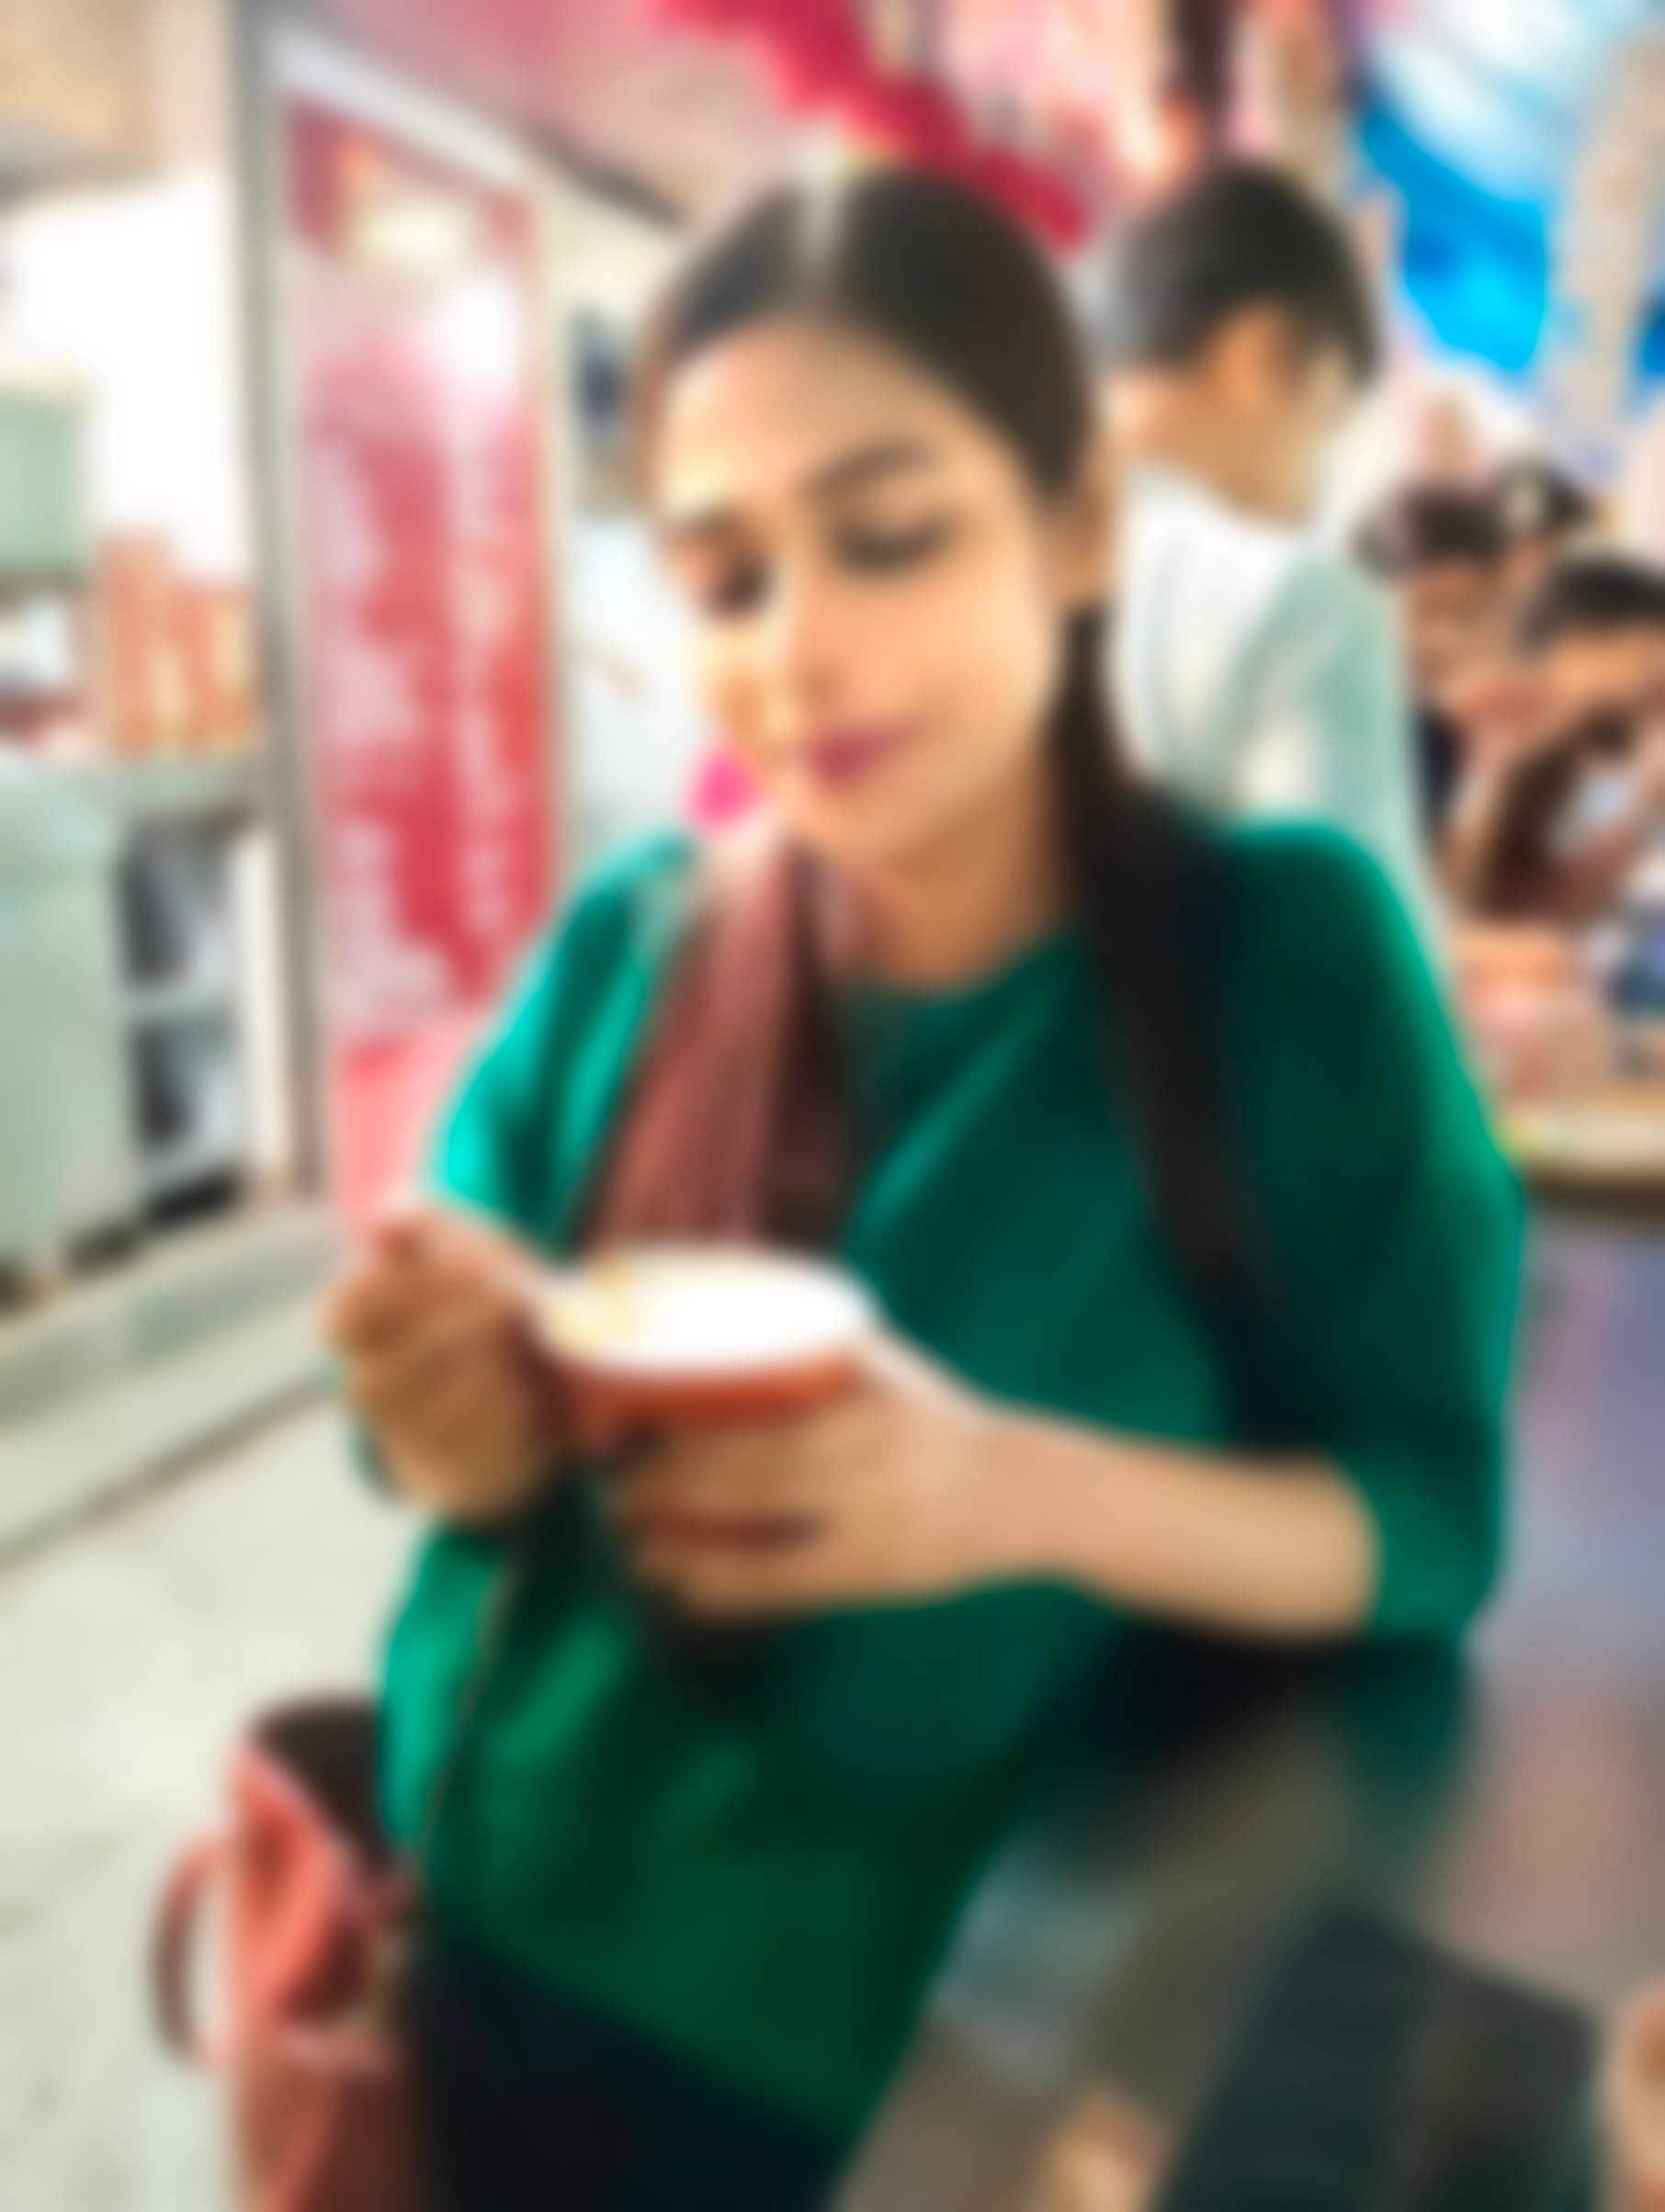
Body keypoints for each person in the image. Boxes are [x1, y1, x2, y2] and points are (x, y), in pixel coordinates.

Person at [323, 169, 1522, 2211]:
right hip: (488, 1951)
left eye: (888, 537)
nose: (798, 650)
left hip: (922, 2083)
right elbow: (432, 1441)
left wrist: (1006, 1491)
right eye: (726, 578)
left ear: (1078, 530)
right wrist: (445, 1420)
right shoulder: (634, 947)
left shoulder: (1279, 969)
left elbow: (1428, 1517)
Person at [1102, 160, 1429, 920]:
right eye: (1324, 430)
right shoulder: (1296, 602)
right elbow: (1354, 957)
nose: (1312, 501)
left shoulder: (970, 552)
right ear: (1262, 356)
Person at [1445, 557, 1665, 921]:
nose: (1651, 672)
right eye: (1639, 651)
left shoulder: (1616, 756)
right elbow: (1494, 900)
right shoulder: (1492, 736)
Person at [1355, 485, 1508, 838]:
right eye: (1425, 609)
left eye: (1469, 614)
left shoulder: (1449, 734)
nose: (1448, 639)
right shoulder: (1326, 732)